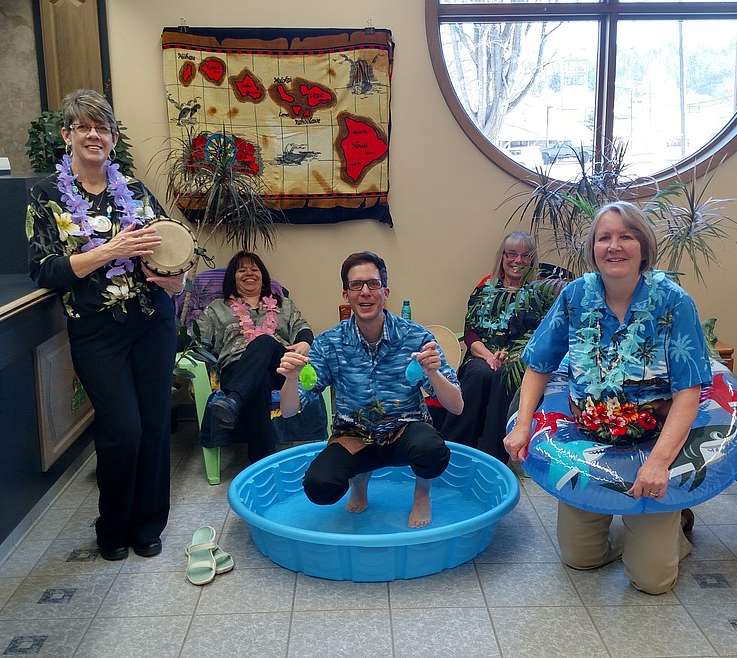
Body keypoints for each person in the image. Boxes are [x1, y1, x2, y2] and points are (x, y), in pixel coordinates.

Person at [503, 201, 712, 594]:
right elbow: (538, 364)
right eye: (604, 238)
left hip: (652, 439)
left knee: (652, 581)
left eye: (626, 236)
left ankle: (672, 530)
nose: (614, 246)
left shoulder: (674, 302)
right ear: (593, 249)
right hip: (588, 441)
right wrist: (525, 423)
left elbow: (689, 392)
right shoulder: (575, 296)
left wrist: (660, 462)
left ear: (644, 248)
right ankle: (639, 532)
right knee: (580, 559)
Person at [27, 89, 188, 562]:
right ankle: (113, 527)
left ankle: (148, 525)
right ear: (68, 136)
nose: (94, 135)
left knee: (156, 425)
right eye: (84, 127)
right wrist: (107, 252)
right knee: (123, 431)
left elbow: (171, 251)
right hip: (96, 330)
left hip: (152, 323)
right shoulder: (46, 196)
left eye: (102, 128)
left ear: (113, 139)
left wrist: (176, 280)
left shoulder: (135, 191)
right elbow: (44, 269)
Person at [277, 251, 463, 528]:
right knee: (319, 487)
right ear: (346, 294)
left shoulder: (416, 337)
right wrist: (291, 379)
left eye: (373, 284)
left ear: (385, 292)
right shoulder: (329, 343)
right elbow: (291, 411)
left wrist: (433, 373)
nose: (365, 292)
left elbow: (456, 406)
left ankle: (422, 494)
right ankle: (360, 481)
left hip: (405, 432)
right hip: (355, 438)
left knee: (432, 450)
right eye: (356, 285)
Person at [441, 230, 561, 462]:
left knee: (505, 377)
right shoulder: (485, 287)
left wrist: (516, 357)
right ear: (502, 257)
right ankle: (453, 448)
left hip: (519, 360)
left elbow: (542, 335)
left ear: (532, 259)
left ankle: (493, 456)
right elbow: (470, 332)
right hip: (481, 356)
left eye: (525, 256)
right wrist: (487, 356)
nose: (517, 261)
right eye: (512, 254)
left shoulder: (541, 293)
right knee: (479, 373)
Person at [195, 250, 314, 462]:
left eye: (254, 269)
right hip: (236, 368)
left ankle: (234, 400)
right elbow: (198, 339)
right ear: (233, 277)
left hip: (280, 367)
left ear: (262, 275)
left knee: (265, 340)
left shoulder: (283, 304)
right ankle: (263, 464)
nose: (249, 273)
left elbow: (302, 327)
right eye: (242, 270)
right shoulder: (217, 308)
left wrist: (304, 342)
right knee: (258, 384)